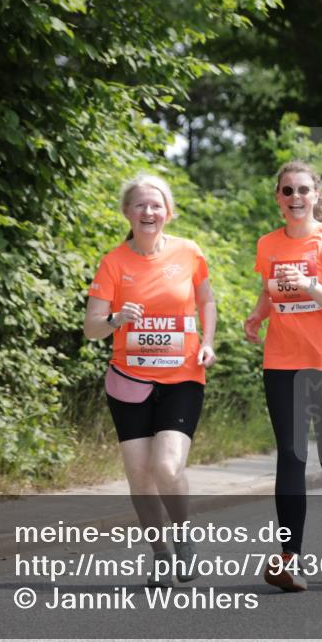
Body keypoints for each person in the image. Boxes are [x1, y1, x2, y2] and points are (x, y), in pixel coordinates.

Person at [84, 173, 217, 586]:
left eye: (156, 205)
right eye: (140, 205)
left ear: (169, 212)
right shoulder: (113, 262)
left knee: (166, 465)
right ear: (127, 212)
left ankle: (183, 538)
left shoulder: (189, 252)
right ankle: (160, 554)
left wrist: (208, 341)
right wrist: (116, 319)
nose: (148, 211)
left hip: (182, 377)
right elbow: (91, 327)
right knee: (140, 476)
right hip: (129, 380)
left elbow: (206, 299)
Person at [245, 160, 322, 592]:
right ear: (278, 198)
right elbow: (269, 289)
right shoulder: (269, 244)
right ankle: (288, 557)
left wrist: (311, 286)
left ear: (316, 195)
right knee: (291, 456)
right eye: (287, 191)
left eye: (303, 190)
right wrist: (258, 315)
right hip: (283, 363)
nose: (295, 198)